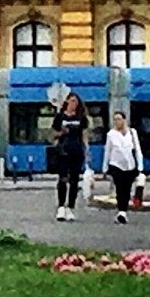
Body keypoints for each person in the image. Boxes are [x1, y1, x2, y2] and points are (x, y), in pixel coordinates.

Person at [102, 110, 144, 224]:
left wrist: (140, 167)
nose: (117, 122)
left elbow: (137, 149)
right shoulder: (111, 134)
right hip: (116, 164)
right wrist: (104, 168)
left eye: (119, 119)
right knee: (119, 187)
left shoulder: (132, 132)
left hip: (130, 165)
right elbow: (107, 151)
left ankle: (124, 211)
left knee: (127, 188)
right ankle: (121, 211)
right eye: (115, 119)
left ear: (124, 120)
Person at [52, 92, 88, 221]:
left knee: (74, 181)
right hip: (63, 151)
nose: (73, 104)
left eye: (76, 102)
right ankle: (61, 207)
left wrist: (87, 152)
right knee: (62, 179)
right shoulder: (60, 117)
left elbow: (84, 135)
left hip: (77, 151)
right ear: (67, 102)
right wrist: (61, 132)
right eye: (71, 101)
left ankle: (70, 208)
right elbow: (52, 135)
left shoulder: (81, 118)